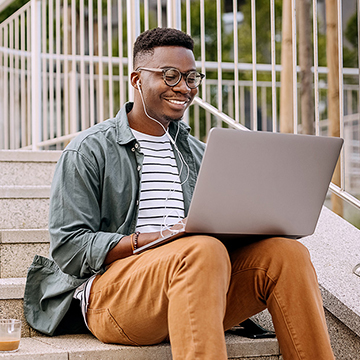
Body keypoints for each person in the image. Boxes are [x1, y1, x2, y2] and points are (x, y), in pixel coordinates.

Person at [24, 27, 334, 360]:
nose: (184, 88)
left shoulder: (201, 154)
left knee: (287, 254)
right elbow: (70, 247)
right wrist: (161, 236)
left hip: (199, 282)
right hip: (114, 296)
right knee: (200, 248)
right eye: (170, 76)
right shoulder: (89, 150)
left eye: (191, 77)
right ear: (137, 79)